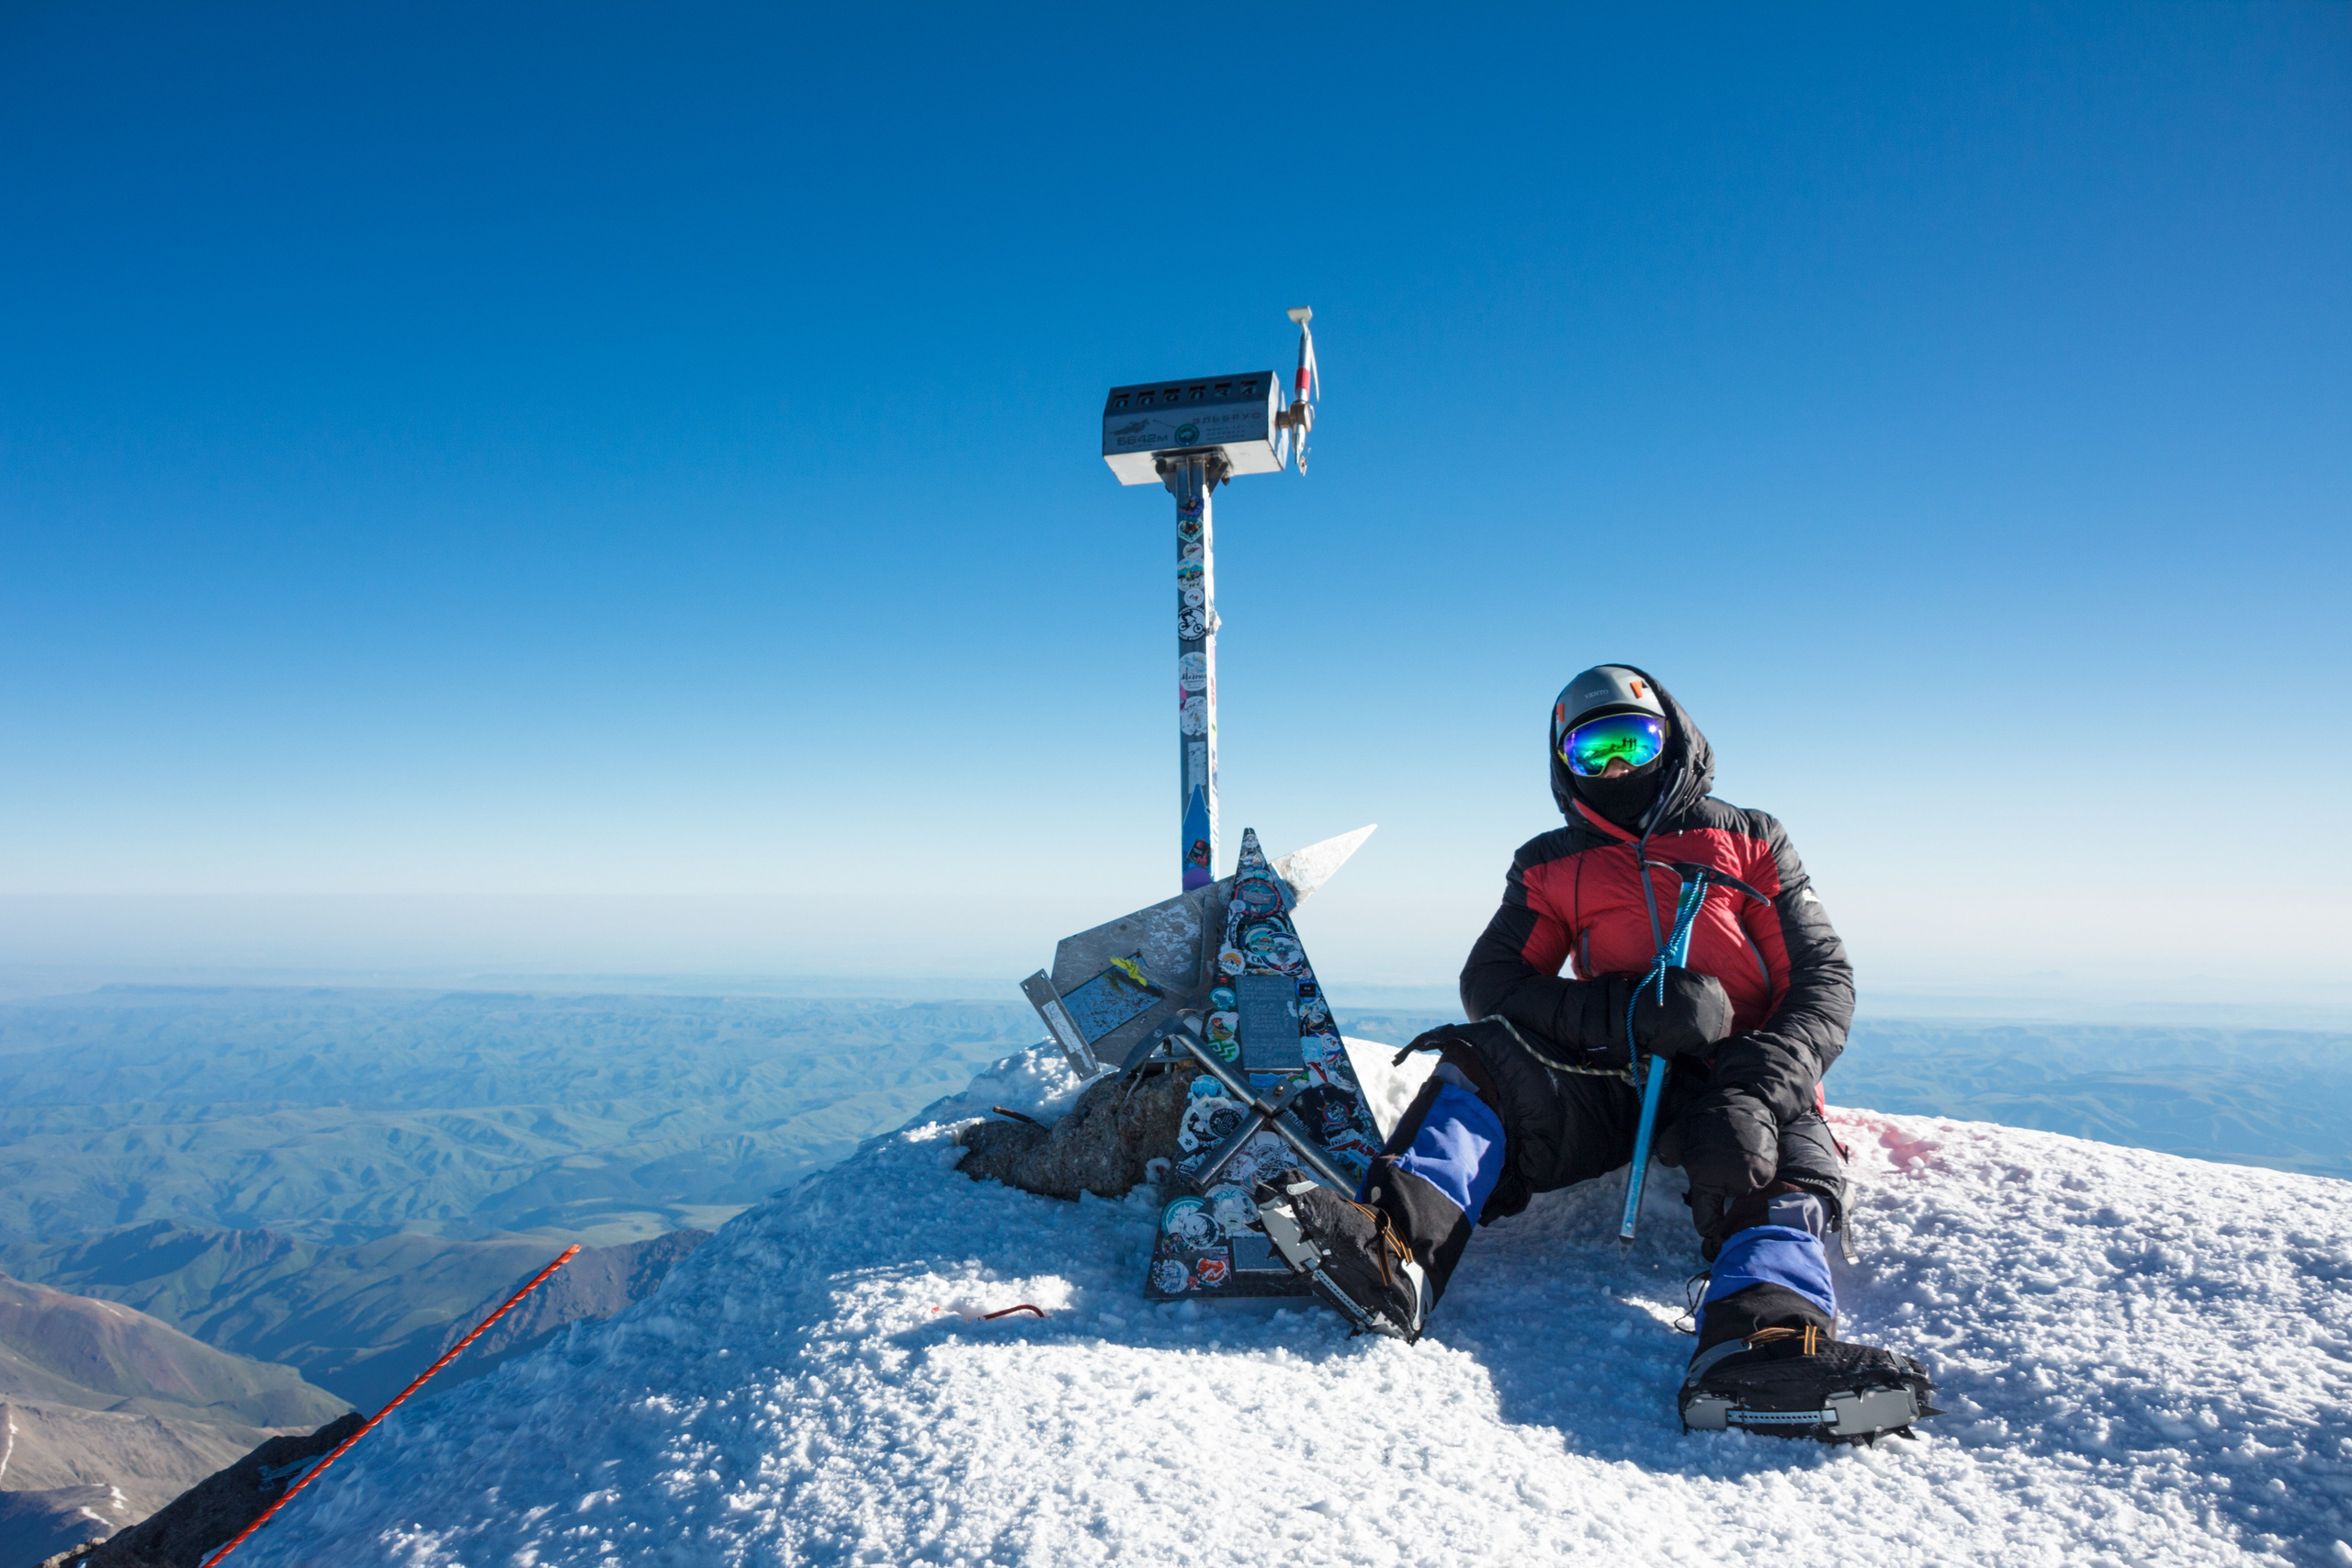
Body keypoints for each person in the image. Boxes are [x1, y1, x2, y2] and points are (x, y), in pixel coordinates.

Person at [1254, 664, 1935, 1441]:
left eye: (1632, 741)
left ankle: (1760, 1347)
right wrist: (1627, 1008)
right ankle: (1397, 1251)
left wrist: (1756, 1084)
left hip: (1747, 1069)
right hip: (1620, 1066)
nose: (1616, 767)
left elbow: (1823, 981)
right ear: (1563, 762)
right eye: (1592, 750)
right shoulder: (1551, 862)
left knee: (1785, 1168)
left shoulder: (1751, 840)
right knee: (1484, 1060)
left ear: (1671, 738)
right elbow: (1495, 982)